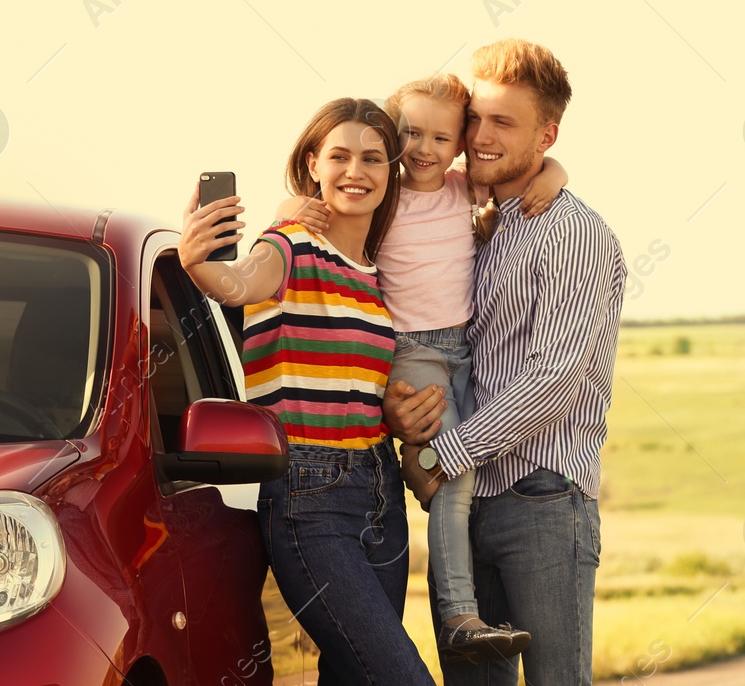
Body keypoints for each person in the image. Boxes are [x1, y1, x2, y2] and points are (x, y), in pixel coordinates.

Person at [289, 72, 569, 666]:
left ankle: (465, 612)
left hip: (464, 350)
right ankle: (459, 615)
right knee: (455, 474)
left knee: (454, 476)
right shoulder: (382, 199)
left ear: (460, 145)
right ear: (392, 137)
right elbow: (323, 206)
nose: (422, 149)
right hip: (414, 353)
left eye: (440, 138)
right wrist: (296, 206)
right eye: (410, 133)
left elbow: (533, 173)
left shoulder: (465, 191)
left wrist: (555, 172)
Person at [387, 38, 627, 685]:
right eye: (476, 119)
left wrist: (441, 456)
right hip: (465, 508)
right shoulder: (483, 221)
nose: (479, 136)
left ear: (548, 133)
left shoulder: (571, 233)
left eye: (504, 122)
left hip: (541, 501)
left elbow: (553, 381)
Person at [176, 97, 432, 684]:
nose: (355, 171)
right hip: (308, 497)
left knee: (352, 674)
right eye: (339, 156)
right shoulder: (288, 244)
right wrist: (201, 265)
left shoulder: (376, 278)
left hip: (381, 491)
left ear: (389, 171)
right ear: (313, 164)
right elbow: (241, 281)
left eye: (372, 158)